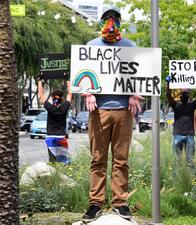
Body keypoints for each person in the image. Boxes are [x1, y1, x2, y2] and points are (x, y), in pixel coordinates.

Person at [82, 5, 144, 223]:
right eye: (107, 18)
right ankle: (95, 203)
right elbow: (83, 73)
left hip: (124, 111)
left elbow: (139, 72)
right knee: (97, 158)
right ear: (101, 21)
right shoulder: (91, 46)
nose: (111, 22)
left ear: (120, 21)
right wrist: (87, 93)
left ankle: (120, 202)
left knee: (121, 160)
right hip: (98, 110)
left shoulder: (130, 46)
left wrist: (136, 94)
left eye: (115, 18)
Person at [166, 75, 196, 168]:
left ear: (188, 96)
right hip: (179, 135)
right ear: (180, 96)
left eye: (185, 94)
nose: (184, 95)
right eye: (183, 93)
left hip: (187, 135)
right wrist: (168, 84)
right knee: (178, 160)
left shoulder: (192, 105)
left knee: (189, 161)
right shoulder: (176, 105)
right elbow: (168, 95)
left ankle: (189, 180)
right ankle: (178, 179)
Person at [38, 78, 72, 164]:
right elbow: (70, 93)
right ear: (62, 99)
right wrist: (68, 79)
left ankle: (53, 173)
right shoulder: (64, 107)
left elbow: (41, 95)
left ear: (53, 99)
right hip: (61, 137)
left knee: (52, 161)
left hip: (50, 137)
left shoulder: (50, 108)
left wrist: (39, 80)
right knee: (63, 161)